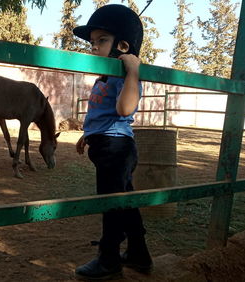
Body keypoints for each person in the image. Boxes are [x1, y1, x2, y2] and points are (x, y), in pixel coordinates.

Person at [72, 4, 153, 280]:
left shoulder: (123, 75)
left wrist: (132, 71)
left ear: (123, 45)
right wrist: (87, 134)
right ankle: (139, 254)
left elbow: (124, 109)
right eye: (93, 42)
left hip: (116, 148)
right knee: (126, 201)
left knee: (112, 204)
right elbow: (102, 113)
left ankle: (108, 259)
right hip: (104, 144)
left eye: (102, 40)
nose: (94, 47)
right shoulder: (105, 77)